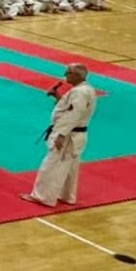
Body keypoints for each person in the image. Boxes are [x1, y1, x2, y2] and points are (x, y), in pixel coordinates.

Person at [22, 63, 98, 208]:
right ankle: (67, 196)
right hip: (76, 134)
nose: (65, 75)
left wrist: (62, 134)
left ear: (76, 75)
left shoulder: (79, 92)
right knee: (69, 167)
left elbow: (74, 114)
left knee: (52, 166)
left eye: (68, 72)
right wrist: (57, 96)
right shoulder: (87, 89)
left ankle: (42, 197)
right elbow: (71, 109)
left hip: (69, 135)